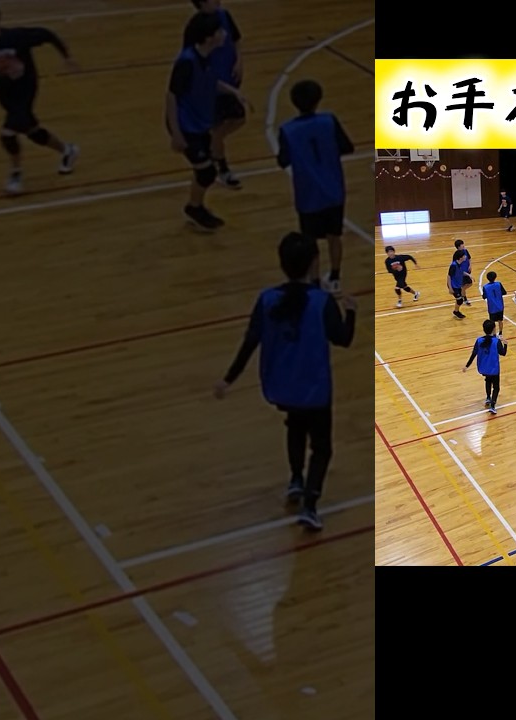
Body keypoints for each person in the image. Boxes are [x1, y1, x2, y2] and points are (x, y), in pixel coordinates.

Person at [213, 232, 357, 532]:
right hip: (315, 388)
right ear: (314, 262)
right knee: (321, 448)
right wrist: (352, 313)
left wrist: (228, 379)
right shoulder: (321, 302)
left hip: (282, 386)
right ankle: (310, 505)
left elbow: (250, 342)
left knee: (295, 426)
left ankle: (295, 479)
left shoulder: (267, 299)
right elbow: (343, 339)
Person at [0, 0, 79, 196]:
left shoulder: (16, 37)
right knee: (32, 131)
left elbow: (47, 34)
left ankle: (16, 174)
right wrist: (4, 76)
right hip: (6, 95)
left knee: (8, 134)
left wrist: (67, 57)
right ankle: (67, 150)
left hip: (26, 90)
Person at [165, 11, 251, 230]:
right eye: (220, 31)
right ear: (208, 37)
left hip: (200, 122)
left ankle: (195, 206)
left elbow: (210, 81)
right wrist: (176, 134)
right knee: (206, 172)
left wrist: (233, 91)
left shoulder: (207, 56)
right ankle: (194, 208)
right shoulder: (187, 62)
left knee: (205, 170)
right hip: (186, 126)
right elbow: (172, 97)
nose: (224, 34)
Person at [277, 79, 355, 293]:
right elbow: (347, 147)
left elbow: (283, 160)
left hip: (308, 194)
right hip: (333, 190)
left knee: (309, 241)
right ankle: (336, 277)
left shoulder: (288, 130)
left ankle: (314, 281)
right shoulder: (329, 121)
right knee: (334, 236)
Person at [184, 0, 245, 189]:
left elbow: (236, 39)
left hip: (229, 78)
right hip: (211, 87)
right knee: (219, 127)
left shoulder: (224, 15)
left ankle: (213, 149)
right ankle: (222, 168)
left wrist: (239, 61)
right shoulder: (195, 27)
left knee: (237, 119)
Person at [463, 319, 508, 414]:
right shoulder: (496, 341)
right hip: (494, 368)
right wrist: (505, 344)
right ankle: (493, 405)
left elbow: (473, 354)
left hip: (483, 368)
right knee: (496, 387)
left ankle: (488, 397)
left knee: (488, 380)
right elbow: (503, 353)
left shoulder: (479, 340)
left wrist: (467, 366)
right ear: (494, 329)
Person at [481, 271, 507, 337]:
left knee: (492, 322)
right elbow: (504, 292)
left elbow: (484, 297)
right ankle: (500, 333)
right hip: (500, 306)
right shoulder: (498, 284)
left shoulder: (485, 287)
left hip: (492, 308)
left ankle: (494, 334)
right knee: (500, 320)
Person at [448, 249, 468, 320]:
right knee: (460, 300)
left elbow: (461, 272)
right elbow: (449, 276)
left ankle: (456, 311)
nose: (465, 257)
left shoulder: (460, 264)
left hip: (458, 284)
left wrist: (468, 275)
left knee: (459, 300)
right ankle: (456, 311)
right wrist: (450, 288)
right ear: (460, 257)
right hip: (453, 286)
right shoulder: (453, 265)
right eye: (464, 256)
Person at [453, 239, 473, 305]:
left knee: (469, 283)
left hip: (467, 271)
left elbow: (469, 258)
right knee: (464, 286)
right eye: (462, 244)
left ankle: (462, 293)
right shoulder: (456, 255)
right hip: (461, 273)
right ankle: (464, 298)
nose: (463, 245)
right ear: (458, 247)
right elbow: (456, 266)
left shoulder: (465, 251)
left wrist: (470, 265)